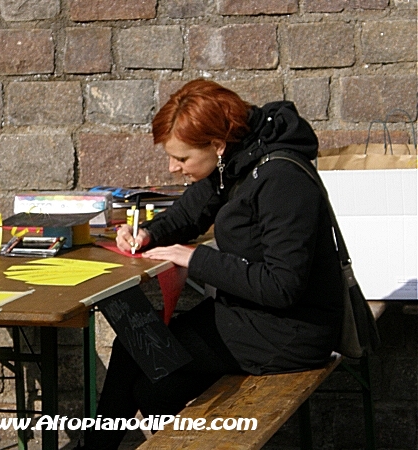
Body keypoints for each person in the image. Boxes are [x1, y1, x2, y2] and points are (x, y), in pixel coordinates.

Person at [82, 79, 344, 449]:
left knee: (139, 347)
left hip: (290, 332)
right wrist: (148, 235)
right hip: (254, 316)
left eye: (183, 158)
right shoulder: (238, 158)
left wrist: (194, 258)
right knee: (148, 374)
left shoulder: (281, 180)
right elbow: (190, 212)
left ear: (217, 145)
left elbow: (282, 286)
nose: (173, 168)